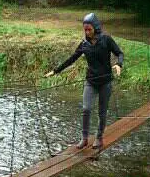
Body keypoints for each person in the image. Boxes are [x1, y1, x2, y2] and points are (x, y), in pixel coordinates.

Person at [45, 13, 124, 150]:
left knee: (102, 112)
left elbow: (119, 53)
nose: (87, 32)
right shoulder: (84, 44)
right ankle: (84, 138)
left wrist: (119, 64)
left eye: (89, 29)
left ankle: (99, 138)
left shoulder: (106, 40)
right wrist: (55, 71)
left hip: (105, 82)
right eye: (85, 30)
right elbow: (72, 59)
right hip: (91, 81)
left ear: (96, 28)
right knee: (86, 109)